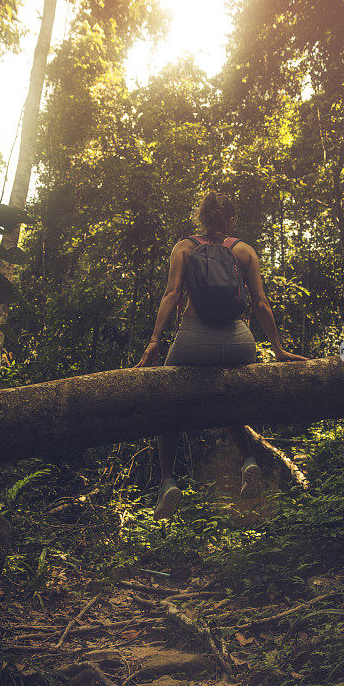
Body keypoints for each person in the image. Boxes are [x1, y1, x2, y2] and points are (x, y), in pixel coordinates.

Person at [136, 191, 307, 519]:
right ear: (231, 219)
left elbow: (172, 294)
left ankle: (168, 481)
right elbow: (260, 303)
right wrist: (278, 349)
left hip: (193, 342)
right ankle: (248, 460)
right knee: (224, 400)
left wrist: (155, 341)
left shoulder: (184, 247)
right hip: (239, 342)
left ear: (200, 218)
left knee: (166, 406)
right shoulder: (243, 250)